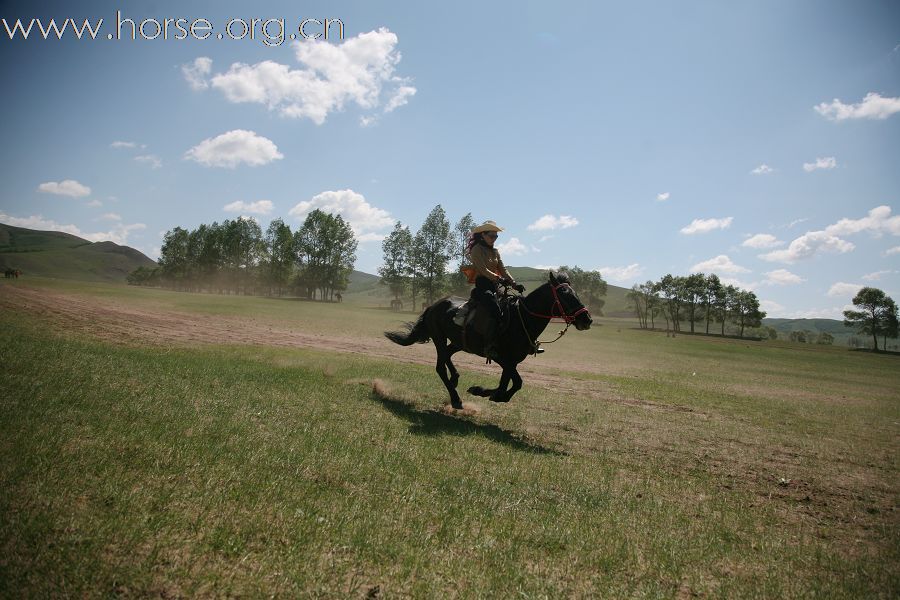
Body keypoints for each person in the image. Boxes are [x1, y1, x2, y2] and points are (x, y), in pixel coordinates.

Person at [466, 220, 526, 359]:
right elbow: (482, 269)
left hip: (495, 286)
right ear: (483, 235)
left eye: (496, 236)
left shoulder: (495, 251)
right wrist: (499, 279)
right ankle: (489, 345)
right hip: (483, 286)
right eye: (492, 236)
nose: (494, 239)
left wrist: (514, 284)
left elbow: (503, 270)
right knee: (495, 310)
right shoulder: (476, 249)